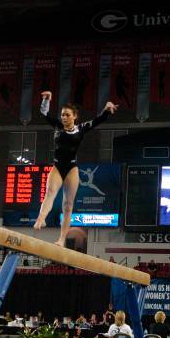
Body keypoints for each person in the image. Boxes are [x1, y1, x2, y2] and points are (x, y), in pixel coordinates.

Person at [33, 91, 118, 247]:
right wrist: (47, 99)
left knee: (68, 205)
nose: (63, 117)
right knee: (50, 192)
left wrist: (107, 109)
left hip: (72, 169)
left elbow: (97, 121)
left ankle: (61, 239)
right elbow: (44, 113)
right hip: (58, 167)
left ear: (74, 116)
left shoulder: (81, 128)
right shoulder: (58, 126)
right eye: (62, 115)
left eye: (67, 115)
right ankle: (41, 218)